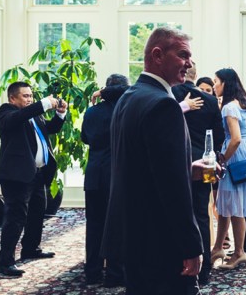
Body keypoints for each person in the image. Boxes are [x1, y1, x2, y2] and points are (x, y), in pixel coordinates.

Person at [101, 27, 205, 295]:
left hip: (133, 236)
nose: (190, 63)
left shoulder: (129, 97)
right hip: (160, 241)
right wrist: (191, 246)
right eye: (183, 55)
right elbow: (173, 189)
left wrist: (188, 169)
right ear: (158, 55)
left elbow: (142, 167)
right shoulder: (163, 105)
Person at [0, 82, 67, 277]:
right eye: (25, 96)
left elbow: (50, 129)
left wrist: (59, 114)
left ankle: (30, 248)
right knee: (15, 218)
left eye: (31, 96)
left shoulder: (34, 114)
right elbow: (17, 118)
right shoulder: (6, 112)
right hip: (16, 177)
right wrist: (44, 103)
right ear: (12, 98)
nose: (29, 99)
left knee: (37, 212)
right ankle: (5, 262)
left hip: (37, 173)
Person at [208, 68, 246, 270]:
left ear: (225, 83)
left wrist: (223, 159)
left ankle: (239, 252)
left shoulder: (229, 107)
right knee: (226, 204)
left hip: (235, 156)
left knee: (235, 207)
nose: (214, 85)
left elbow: (235, 138)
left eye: (216, 81)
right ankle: (218, 247)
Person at [172, 63, 224, 285]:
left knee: (176, 211)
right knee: (202, 213)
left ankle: (178, 264)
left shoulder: (169, 94)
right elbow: (219, 136)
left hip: (176, 162)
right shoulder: (210, 101)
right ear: (195, 76)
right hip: (205, 162)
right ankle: (204, 270)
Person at [81, 74, 129, 287]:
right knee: (117, 226)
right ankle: (115, 274)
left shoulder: (92, 112)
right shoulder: (125, 111)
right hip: (116, 176)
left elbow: (85, 138)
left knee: (94, 225)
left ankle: (92, 272)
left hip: (94, 175)